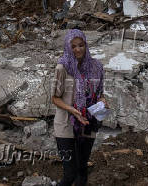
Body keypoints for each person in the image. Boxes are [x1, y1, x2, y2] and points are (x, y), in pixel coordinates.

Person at [51, 29, 107, 186]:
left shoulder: (96, 67)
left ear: (86, 45)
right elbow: (54, 98)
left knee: (82, 171)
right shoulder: (62, 68)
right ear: (68, 48)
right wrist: (72, 110)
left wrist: (103, 101)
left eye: (81, 45)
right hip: (66, 125)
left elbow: (99, 93)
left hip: (88, 124)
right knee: (70, 174)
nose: (78, 49)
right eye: (73, 46)